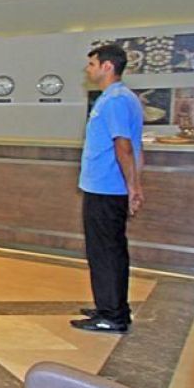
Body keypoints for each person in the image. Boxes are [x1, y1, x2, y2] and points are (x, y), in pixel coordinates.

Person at [72, 43, 144, 334]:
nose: (87, 69)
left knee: (105, 252)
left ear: (107, 66)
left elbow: (123, 146)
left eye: (92, 64)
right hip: (106, 187)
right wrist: (134, 184)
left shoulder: (115, 100)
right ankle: (112, 307)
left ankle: (112, 315)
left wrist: (133, 186)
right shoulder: (119, 97)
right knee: (109, 249)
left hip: (106, 188)